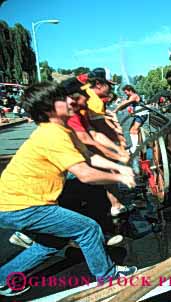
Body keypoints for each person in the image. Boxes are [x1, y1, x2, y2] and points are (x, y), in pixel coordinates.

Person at [0, 82, 137, 297]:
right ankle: (109, 279)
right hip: (22, 205)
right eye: (63, 99)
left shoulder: (62, 129)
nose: (71, 101)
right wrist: (120, 177)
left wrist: (118, 164)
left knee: (51, 243)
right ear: (48, 109)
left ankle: (4, 279)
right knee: (88, 229)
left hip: (16, 202)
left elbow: (89, 157)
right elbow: (85, 174)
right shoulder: (52, 134)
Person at [63, 77, 130, 217]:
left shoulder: (81, 111)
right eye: (85, 95)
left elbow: (94, 135)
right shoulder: (70, 114)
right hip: (66, 163)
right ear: (72, 98)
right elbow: (86, 140)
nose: (88, 98)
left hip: (77, 154)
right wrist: (117, 158)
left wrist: (118, 152)